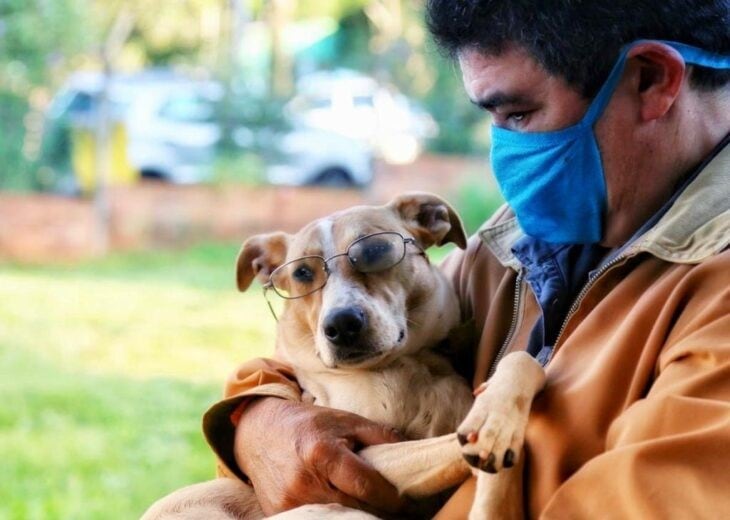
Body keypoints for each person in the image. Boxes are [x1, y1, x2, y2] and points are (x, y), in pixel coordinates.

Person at [202, 1, 730, 517]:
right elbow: (317, 352)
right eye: (493, 118)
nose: (504, 150)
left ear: (651, 80)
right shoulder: (514, 245)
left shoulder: (715, 293)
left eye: (520, 114)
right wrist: (262, 423)